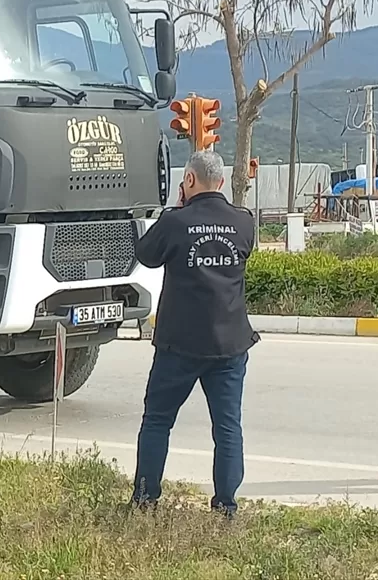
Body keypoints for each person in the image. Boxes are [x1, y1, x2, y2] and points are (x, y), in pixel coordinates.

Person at [129, 150, 258, 517]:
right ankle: (226, 507)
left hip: (179, 345)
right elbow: (244, 252)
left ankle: (145, 500)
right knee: (228, 427)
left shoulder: (176, 222)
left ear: (188, 181)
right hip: (230, 344)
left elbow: (146, 254)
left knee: (157, 421)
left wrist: (175, 210)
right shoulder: (243, 222)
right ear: (220, 181)